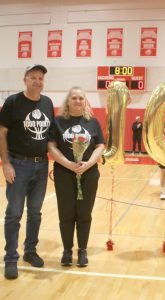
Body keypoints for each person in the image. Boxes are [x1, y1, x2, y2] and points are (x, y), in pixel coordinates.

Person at [0, 64, 54, 279]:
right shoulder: (13, 102)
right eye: (33, 77)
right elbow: (2, 133)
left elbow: (50, 136)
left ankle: (30, 252)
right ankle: (10, 258)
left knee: (35, 213)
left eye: (40, 78)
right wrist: (5, 163)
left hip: (41, 166)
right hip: (18, 164)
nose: (37, 81)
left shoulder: (48, 103)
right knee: (14, 213)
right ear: (25, 80)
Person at [48, 87, 105, 268]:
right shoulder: (58, 122)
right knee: (66, 214)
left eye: (81, 98)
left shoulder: (93, 123)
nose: (78, 101)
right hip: (64, 173)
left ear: (85, 101)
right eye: (74, 98)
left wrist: (87, 164)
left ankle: (82, 250)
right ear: (68, 101)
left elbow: (100, 146)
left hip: (88, 174)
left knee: (84, 213)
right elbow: (51, 146)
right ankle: (66, 250)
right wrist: (68, 164)